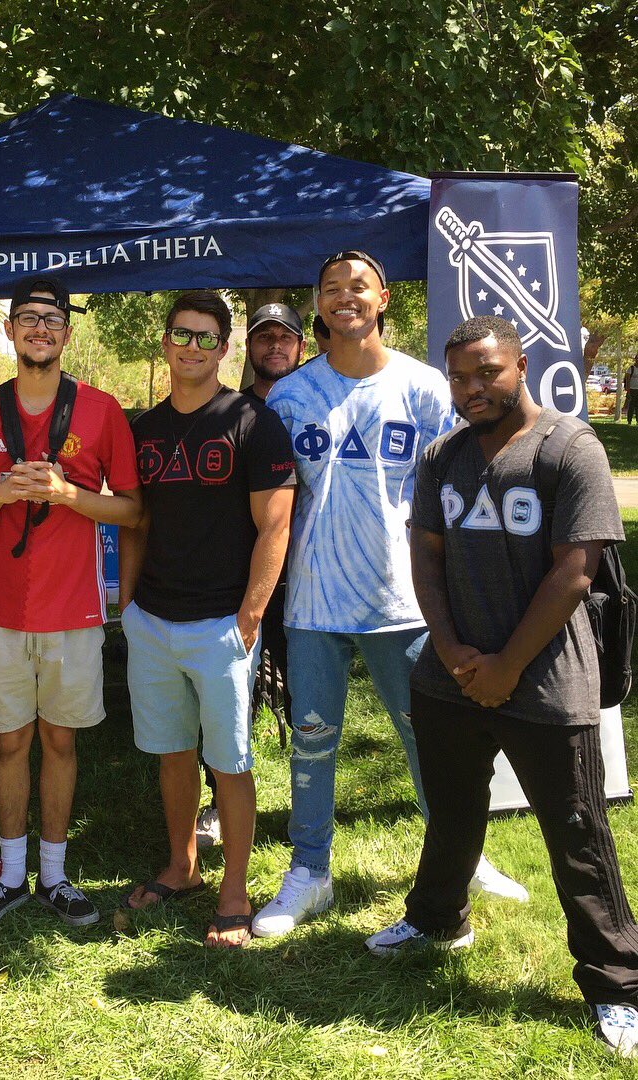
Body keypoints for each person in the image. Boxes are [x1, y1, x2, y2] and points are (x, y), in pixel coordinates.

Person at [365, 315, 638, 1058]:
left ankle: (618, 984)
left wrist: (508, 667)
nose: (472, 388)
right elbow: (425, 557)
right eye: (459, 376)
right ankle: (436, 919)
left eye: (487, 372)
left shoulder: (568, 447)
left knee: (578, 833)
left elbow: (575, 571)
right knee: (452, 812)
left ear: (520, 365)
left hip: (547, 681)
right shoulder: (441, 455)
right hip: (450, 677)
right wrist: (452, 651)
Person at [258, 251, 525, 940]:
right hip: (314, 600)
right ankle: (310, 871)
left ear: (382, 299)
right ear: (318, 306)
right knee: (313, 741)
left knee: (428, 740)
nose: (345, 298)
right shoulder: (289, 397)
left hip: (403, 600)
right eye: (331, 290)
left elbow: (457, 497)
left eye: (358, 287)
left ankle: (460, 859)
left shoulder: (427, 389)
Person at [0, 275, 142, 929]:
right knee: (8, 744)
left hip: (76, 613)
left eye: (52, 319)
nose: (39, 328)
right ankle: (8, 875)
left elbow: (131, 509)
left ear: (66, 332)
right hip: (0, 614)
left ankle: (54, 876)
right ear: (9, 330)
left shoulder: (102, 408)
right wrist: (3, 495)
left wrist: (66, 496)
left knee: (59, 742)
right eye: (27, 318)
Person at [119, 290, 296, 948]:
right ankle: (182, 866)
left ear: (225, 349)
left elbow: (275, 523)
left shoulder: (252, 421)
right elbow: (136, 522)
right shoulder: (145, 431)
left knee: (229, 763)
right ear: (164, 343)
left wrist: (250, 617)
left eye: (205, 338)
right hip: (153, 620)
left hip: (223, 623)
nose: (191, 347)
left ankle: (233, 890)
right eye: (180, 335)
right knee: (172, 754)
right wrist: (127, 604)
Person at [196, 301, 305, 849]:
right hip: (235, 576)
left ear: (301, 346)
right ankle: (219, 801)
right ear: (248, 347)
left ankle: (309, 806)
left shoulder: (314, 405)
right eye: (264, 337)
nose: (275, 347)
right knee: (228, 696)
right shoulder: (227, 411)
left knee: (304, 697)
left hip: (305, 579)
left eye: (285, 338)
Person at [626, 358, 638, 425]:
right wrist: (628, 390)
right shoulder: (631, 368)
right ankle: (629, 421)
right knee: (631, 406)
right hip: (632, 389)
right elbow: (627, 380)